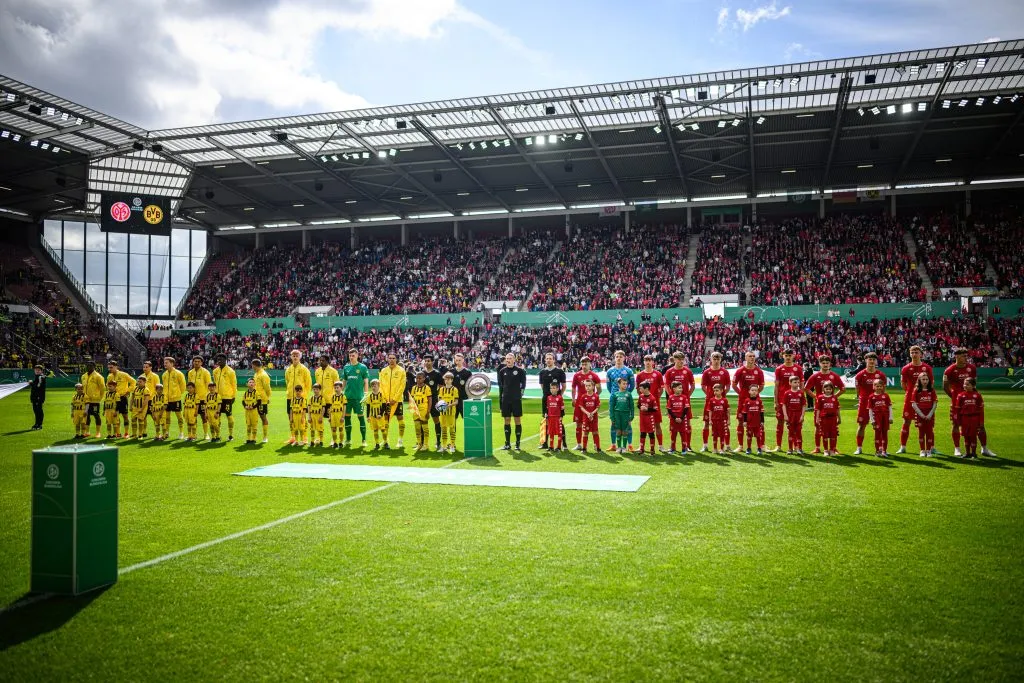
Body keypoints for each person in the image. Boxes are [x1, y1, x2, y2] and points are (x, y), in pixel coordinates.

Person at [944, 348, 996, 457]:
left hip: (972, 402)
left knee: (980, 425)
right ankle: (957, 449)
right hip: (957, 403)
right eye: (963, 356)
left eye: (966, 356)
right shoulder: (949, 370)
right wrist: (955, 397)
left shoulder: (972, 368)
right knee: (955, 424)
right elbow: (945, 387)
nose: (966, 358)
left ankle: (984, 448)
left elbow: (974, 384)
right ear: (957, 357)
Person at [805, 356, 845, 453]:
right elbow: (806, 388)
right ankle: (817, 447)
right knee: (817, 426)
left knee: (833, 427)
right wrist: (816, 397)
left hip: (831, 408)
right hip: (819, 407)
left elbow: (843, 389)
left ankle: (833, 448)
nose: (825, 365)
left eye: (827, 363)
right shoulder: (815, 376)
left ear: (830, 364)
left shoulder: (834, 376)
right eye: (823, 363)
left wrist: (833, 397)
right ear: (820, 364)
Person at [897, 346, 933, 454]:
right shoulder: (905, 368)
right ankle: (903, 447)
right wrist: (911, 393)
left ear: (921, 354)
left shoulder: (927, 368)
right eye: (912, 352)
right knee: (906, 421)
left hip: (924, 399)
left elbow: (931, 383)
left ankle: (931, 447)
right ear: (909, 354)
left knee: (927, 423)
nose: (914, 354)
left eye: (916, 352)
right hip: (910, 398)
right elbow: (903, 384)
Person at [853, 353, 887, 455]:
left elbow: (883, 390)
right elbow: (858, 390)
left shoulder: (881, 375)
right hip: (864, 403)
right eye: (869, 359)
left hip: (877, 404)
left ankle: (880, 448)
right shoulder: (859, 375)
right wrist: (862, 399)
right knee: (861, 425)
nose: (871, 361)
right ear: (865, 360)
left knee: (879, 427)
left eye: (873, 359)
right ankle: (859, 448)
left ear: (876, 361)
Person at [731, 351, 765, 453]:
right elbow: (734, 384)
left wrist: (754, 394)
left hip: (756, 402)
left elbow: (762, 386)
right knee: (741, 422)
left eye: (753, 356)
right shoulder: (740, 370)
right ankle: (740, 446)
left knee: (760, 423)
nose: (752, 358)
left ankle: (762, 446)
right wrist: (741, 394)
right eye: (750, 356)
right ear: (745, 357)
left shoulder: (759, 371)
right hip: (743, 401)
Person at [643, 353, 676, 454]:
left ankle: (661, 446)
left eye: (650, 360)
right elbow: (639, 390)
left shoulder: (657, 374)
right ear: (644, 362)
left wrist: (655, 398)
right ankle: (642, 447)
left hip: (655, 405)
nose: (648, 362)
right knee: (644, 426)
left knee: (657, 425)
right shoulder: (640, 375)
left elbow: (661, 389)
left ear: (653, 362)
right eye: (646, 360)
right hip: (644, 406)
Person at [773, 349, 804, 452]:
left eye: (790, 355)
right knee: (780, 422)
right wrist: (775, 401)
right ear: (783, 356)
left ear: (793, 356)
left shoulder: (798, 368)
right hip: (782, 401)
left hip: (795, 402)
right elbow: (776, 386)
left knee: (795, 425)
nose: (788, 357)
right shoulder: (779, 369)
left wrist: (801, 398)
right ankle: (778, 445)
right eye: (786, 355)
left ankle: (795, 446)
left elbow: (802, 386)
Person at [605, 350, 636, 451]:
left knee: (628, 423)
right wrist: (614, 394)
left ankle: (630, 444)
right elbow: (609, 387)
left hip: (625, 399)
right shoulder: (610, 371)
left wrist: (626, 393)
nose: (618, 358)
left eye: (620, 357)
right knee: (613, 422)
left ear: (624, 358)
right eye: (617, 356)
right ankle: (614, 444)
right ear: (614, 358)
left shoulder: (628, 371)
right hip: (614, 399)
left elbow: (632, 385)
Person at [700, 352, 730, 452]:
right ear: (711, 359)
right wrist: (709, 395)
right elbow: (703, 386)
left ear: (720, 360)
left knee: (724, 423)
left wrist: (722, 396)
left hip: (722, 403)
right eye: (714, 359)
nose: (716, 361)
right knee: (706, 423)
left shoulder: (724, 372)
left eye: (718, 359)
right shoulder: (707, 372)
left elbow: (728, 386)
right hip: (709, 402)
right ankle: (705, 445)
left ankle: (727, 445)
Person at [497, 353, 526, 451]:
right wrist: (500, 403)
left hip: (516, 400)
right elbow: (501, 387)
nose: (508, 360)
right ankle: (507, 443)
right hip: (506, 399)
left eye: (510, 358)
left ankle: (518, 444)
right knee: (507, 420)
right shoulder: (502, 371)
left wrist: (519, 395)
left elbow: (523, 385)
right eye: (507, 359)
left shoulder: (520, 371)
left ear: (514, 360)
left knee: (517, 420)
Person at [571, 355, 601, 450]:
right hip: (580, 404)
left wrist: (594, 397)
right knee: (578, 423)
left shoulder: (594, 376)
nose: (584, 366)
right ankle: (579, 444)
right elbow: (573, 388)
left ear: (590, 364)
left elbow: (599, 389)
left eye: (586, 364)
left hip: (590, 405)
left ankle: (596, 445)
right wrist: (573, 399)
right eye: (582, 364)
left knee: (593, 425)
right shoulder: (577, 375)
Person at [343, 348, 370, 449]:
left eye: (353, 355)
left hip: (359, 398)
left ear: (357, 356)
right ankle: (348, 439)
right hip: (347, 397)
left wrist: (366, 395)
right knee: (347, 417)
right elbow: (344, 381)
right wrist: (341, 392)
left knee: (361, 417)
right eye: (350, 356)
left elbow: (366, 382)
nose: (351, 357)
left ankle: (363, 440)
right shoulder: (346, 367)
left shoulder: (362, 367)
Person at [379, 353, 408, 448]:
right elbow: (381, 386)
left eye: (393, 358)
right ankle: (385, 440)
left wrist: (395, 399)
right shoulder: (383, 371)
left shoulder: (401, 371)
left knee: (400, 418)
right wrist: (385, 398)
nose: (391, 360)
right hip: (386, 400)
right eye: (390, 358)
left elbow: (402, 386)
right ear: (387, 359)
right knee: (386, 420)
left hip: (397, 400)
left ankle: (400, 440)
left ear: (396, 359)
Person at [538, 352, 566, 450]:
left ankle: (564, 443)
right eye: (547, 358)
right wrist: (548, 396)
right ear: (545, 360)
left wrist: (558, 397)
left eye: (550, 358)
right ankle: (545, 443)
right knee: (546, 421)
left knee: (559, 421)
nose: (549, 360)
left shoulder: (559, 371)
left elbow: (564, 386)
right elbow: (542, 386)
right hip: (546, 399)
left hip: (557, 401)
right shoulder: (542, 372)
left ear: (554, 360)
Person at [285, 350, 312, 444]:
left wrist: (304, 396)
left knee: (302, 418)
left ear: (300, 357)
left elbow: (308, 384)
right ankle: (293, 437)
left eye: (297, 355)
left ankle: (304, 438)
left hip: (301, 399)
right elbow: (287, 382)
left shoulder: (304, 369)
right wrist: (289, 392)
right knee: (291, 418)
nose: (295, 357)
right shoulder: (288, 370)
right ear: (291, 357)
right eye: (293, 355)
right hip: (290, 398)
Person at [954, 377, 984, 459]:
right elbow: (957, 409)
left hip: (974, 418)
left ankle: (974, 453)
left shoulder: (977, 395)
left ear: (973, 386)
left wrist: (981, 421)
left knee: (973, 436)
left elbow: (981, 410)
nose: (965, 386)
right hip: (964, 419)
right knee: (966, 436)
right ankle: (967, 453)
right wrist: (958, 421)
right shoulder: (960, 395)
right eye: (964, 384)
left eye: (967, 384)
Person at [910, 373, 937, 458]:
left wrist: (930, 414)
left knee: (929, 432)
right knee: (921, 433)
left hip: (930, 414)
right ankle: (922, 450)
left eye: (926, 379)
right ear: (919, 380)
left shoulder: (931, 390)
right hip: (920, 415)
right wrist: (921, 414)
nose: (925, 381)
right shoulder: (916, 390)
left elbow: (935, 403)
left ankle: (928, 450)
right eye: (923, 379)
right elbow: (913, 404)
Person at [422, 355, 445, 452]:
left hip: (434, 399)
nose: (427, 362)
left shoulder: (437, 373)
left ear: (432, 362)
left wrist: (438, 396)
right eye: (425, 361)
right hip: (423, 401)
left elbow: (441, 386)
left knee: (436, 420)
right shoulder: (421, 373)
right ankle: (423, 443)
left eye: (429, 361)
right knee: (423, 421)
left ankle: (438, 442)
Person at [449, 353, 473, 445]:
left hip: (464, 400)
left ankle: (470, 441)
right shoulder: (451, 372)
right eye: (456, 360)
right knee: (452, 422)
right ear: (454, 360)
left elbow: (470, 387)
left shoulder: (467, 372)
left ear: (463, 360)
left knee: (467, 421)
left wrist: (470, 399)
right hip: (453, 400)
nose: (458, 362)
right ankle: (452, 442)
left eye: (459, 360)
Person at [779, 375, 806, 454]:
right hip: (790, 414)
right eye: (795, 382)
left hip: (798, 414)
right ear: (790, 383)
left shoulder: (801, 393)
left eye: (798, 382)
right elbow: (784, 405)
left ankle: (799, 448)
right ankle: (790, 449)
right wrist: (785, 415)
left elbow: (804, 405)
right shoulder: (787, 393)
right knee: (790, 432)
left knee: (798, 431)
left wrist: (802, 415)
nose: (797, 384)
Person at [213, 354, 237, 441]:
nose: (219, 361)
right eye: (218, 360)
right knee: (217, 416)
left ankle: (230, 435)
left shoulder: (231, 371)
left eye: (221, 359)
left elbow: (234, 384)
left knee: (229, 415)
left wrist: (233, 396)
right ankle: (217, 435)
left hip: (227, 397)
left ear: (225, 360)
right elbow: (215, 383)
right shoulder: (215, 371)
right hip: (218, 397)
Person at [187, 357, 212, 441]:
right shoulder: (190, 372)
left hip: (202, 398)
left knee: (204, 416)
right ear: (193, 362)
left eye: (198, 361)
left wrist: (207, 398)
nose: (196, 363)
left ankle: (206, 434)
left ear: (201, 362)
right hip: (192, 399)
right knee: (193, 417)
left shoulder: (205, 372)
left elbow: (209, 386)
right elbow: (189, 385)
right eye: (195, 361)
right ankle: (194, 435)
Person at [162, 357, 187, 439]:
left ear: (172, 363)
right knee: (167, 417)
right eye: (164, 363)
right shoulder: (164, 374)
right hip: (166, 400)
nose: (165, 364)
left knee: (179, 417)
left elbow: (183, 386)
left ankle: (181, 433)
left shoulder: (178, 373)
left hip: (176, 399)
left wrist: (177, 394)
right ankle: (167, 432)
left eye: (167, 362)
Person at [867, 378, 893, 457]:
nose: (878, 388)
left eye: (880, 386)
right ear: (873, 387)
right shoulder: (871, 397)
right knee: (877, 434)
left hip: (885, 417)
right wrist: (872, 420)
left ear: (883, 387)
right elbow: (870, 409)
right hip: (876, 418)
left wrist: (890, 417)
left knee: (885, 433)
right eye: (877, 386)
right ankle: (877, 451)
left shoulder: (886, 395)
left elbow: (889, 407)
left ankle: (884, 451)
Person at [815, 382, 841, 457]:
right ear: (823, 389)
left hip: (833, 419)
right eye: (826, 389)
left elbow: (837, 409)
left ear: (832, 389)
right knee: (825, 435)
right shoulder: (820, 397)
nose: (828, 390)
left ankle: (832, 450)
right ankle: (826, 450)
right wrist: (817, 418)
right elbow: (818, 409)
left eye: (830, 389)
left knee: (833, 435)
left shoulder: (834, 398)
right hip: (824, 419)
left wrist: (839, 418)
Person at [609, 376, 634, 454]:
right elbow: (611, 407)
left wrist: (631, 417)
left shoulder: (629, 394)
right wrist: (612, 417)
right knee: (618, 431)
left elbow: (632, 407)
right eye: (623, 384)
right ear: (619, 384)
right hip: (617, 415)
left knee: (625, 431)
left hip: (626, 415)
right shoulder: (615, 394)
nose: (625, 385)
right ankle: (619, 447)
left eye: (626, 384)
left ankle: (624, 447)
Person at [576, 378, 601, 453]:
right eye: (586, 386)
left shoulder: (596, 396)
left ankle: (598, 448)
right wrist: (587, 413)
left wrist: (592, 413)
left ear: (593, 387)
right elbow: (581, 407)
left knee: (595, 432)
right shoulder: (583, 396)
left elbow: (597, 407)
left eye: (589, 386)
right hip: (586, 418)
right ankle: (584, 448)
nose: (587, 387)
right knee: (585, 432)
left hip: (594, 418)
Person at [80, 361, 105, 438]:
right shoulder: (83, 376)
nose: (88, 367)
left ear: (94, 366)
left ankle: (98, 432)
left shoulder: (98, 376)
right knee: (86, 415)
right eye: (87, 365)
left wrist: (99, 398)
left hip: (95, 400)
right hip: (85, 400)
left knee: (96, 415)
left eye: (90, 366)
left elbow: (103, 389)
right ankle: (87, 432)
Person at [409, 371, 432, 452]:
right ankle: (419, 444)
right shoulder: (413, 388)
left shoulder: (427, 388)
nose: (418, 380)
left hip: (423, 410)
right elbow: (411, 400)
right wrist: (412, 409)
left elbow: (430, 400)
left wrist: (428, 411)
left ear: (424, 379)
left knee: (425, 428)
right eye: (417, 378)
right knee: (417, 428)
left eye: (420, 378)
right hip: (415, 411)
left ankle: (426, 445)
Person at [437, 372, 460, 453]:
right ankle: (444, 446)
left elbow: (456, 401)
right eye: (445, 379)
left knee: (452, 429)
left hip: (451, 412)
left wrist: (449, 405)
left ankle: (452, 445)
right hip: (443, 412)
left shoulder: (455, 389)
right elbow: (439, 400)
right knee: (443, 429)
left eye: (449, 379)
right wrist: (440, 405)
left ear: (452, 380)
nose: (447, 380)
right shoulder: (441, 389)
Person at [706, 384, 731, 455]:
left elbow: (727, 411)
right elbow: (710, 411)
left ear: (722, 391)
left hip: (722, 421)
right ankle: (715, 449)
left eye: (717, 390)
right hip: (714, 421)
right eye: (714, 391)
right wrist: (710, 420)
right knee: (715, 435)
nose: (715, 392)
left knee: (722, 435)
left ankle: (722, 449)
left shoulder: (725, 400)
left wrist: (728, 420)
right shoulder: (711, 400)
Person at [251, 359, 272, 444]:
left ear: (255, 365)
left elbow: (267, 388)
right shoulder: (256, 374)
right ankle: (253, 438)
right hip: (255, 399)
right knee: (253, 418)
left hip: (262, 400)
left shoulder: (264, 375)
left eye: (252, 365)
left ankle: (265, 437)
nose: (252, 367)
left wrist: (267, 397)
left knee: (263, 417)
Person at [666, 381, 689, 453]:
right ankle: (673, 449)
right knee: (673, 434)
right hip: (673, 420)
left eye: (681, 388)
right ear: (674, 389)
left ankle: (684, 449)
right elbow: (669, 409)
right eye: (679, 388)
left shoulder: (684, 397)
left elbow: (686, 408)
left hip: (682, 419)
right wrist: (675, 418)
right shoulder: (671, 397)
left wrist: (681, 418)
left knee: (683, 434)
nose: (681, 389)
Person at [743, 383, 766, 455]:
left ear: (758, 392)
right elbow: (745, 412)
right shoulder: (747, 401)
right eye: (752, 390)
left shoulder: (759, 401)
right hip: (749, 422)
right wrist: (745, 421)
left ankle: (759, 448)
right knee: (749, 435)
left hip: (757, 422)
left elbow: (761, 412)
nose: (754, 392)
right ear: (749, 391)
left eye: (756, 390)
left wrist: (762, 421)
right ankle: (748, 448)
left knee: (758, 436)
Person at [637, 381, 659, 455]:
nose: (640, 390)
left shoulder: (652, 398)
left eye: (641, 388)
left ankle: (652, 449)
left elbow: (655, 409)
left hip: (649, 418)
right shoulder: (641, 396)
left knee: (651, 434)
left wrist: (647, 409)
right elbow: (638, 405)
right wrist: (640, 407)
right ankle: (641, 449)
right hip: (642, 418)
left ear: (646, 389)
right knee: (642, 433)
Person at [365, 379, 387, 450]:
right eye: (372, 385)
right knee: (375, 430)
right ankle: (377, 444)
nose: (374, 387)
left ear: (378, 386)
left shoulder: (381, 395)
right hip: (373, 417)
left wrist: (380, 414)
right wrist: (368, 416)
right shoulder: (370, 396)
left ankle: (386, 443)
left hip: (380, 417)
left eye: (375, 385)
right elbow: (368, 407)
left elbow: (384, 406)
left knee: (383, 430)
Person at [544, 380, 565, 451]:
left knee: (559, 432)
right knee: (551, 432)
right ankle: (551, 446)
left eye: (554, 388)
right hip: (550, 417)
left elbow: (562, 409)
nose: (552, 389)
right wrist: (546, 414)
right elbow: (547, 408)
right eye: (551, 388)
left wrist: (561, 417)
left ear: (557, 389)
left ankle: (559, 447)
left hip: (557, 417)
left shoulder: (560, 398)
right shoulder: (548, 398)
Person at [328, 381, 347, 449]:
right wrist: (329, 416)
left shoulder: (343, 396)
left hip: (340, 414)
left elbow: (344, 407)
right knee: (333, 429)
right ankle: (335, 442)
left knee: (341, 429)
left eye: (337, 388)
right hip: (333, 415)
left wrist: (343, 417)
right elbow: (330, 407)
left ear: (341, 388)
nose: (336, 389)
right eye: (335, 388)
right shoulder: (332, 397)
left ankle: (341, 442)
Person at [242, 378, 260, 444]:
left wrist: (253, 407)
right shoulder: (245, 393)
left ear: (255, 384)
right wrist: (245, 406)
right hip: (247, 412)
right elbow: (243, 401)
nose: (251, 383)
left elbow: (259, 402)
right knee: (248, 425)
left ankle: (254, 439)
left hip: (254, 411)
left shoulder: (256, 393)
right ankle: (248, 439)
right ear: (247, 384)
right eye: (250, 382)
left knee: (254, 425)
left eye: (252, 382)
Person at [30, 364, 46, 430]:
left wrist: (31, 383)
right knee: (35, 410)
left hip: (39, 397)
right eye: (36, 370)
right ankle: (36, 423)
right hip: (34, 397)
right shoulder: (37, 377)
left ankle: (39, 424)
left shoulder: (41, 377)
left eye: (38, 370)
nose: (37, 371)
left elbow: (37, 387)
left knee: (39, 410)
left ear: (41, 371)